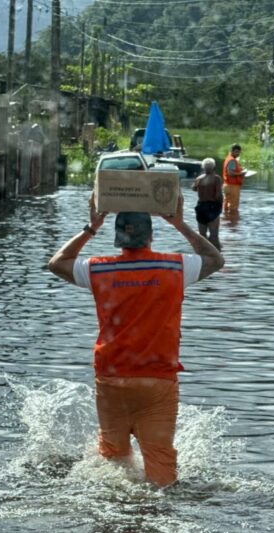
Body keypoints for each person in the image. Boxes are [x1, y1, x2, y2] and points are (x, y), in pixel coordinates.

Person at [47, 193, 225, 487]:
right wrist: (179, 224)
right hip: (157, 378)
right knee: (160, 467)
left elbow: (57, 263)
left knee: (113, 460)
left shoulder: (98, 268)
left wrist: (92, 227)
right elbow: (215, 259)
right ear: (151, 236)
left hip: (111, 376)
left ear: (117, 239)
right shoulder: (175, 267)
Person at [191, 157, 223, 250]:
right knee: (214, 236)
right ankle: (218, 255)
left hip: (200, 207)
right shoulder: (216, 178)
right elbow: (218, 195)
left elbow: (193, 188)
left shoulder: (199, 178)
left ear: (203, 167)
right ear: (214, 167)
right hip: (212, 207)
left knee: (202, 236)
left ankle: (202, 254)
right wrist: (219, 207)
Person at [222, 143, 246, 214]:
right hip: (232, 186)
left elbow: (231, 171)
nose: (238, 154)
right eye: (236, 152)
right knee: (233, 207)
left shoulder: (228, 158)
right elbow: (230, 173)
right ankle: (233, 220)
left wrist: (240, 170)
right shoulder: (232, 160)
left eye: (239, 152)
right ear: (232, 151)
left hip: (227, 185)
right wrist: (241, 173)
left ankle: (226, 218)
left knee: (226, 205)